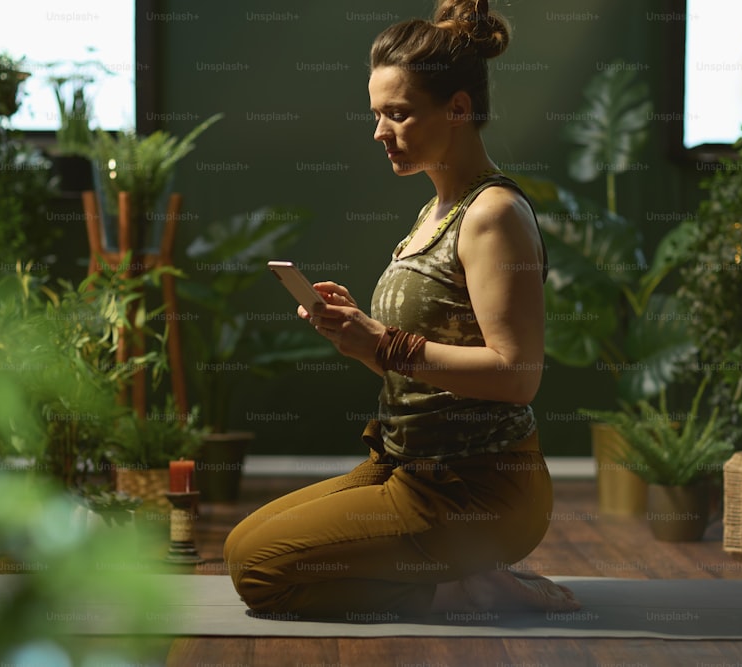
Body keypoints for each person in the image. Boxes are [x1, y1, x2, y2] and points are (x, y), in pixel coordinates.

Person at [223, 0, 580, 620]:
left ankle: (461, 587)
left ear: (459, 109)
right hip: (407, 466)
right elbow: (425, 379)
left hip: (478, 488)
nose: (379, 132)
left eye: (399, 114)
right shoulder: (432, 214)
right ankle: (464, 579)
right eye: (377, 114)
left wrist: (385, 343)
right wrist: (359, 339)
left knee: (258, 570)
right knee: (239, 546)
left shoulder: (492, 215)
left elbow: (518, 376)